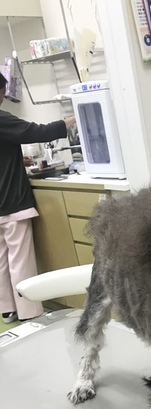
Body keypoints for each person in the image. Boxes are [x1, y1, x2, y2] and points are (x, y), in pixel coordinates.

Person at [0, 71, 76, 324]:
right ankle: (29, 313)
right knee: (19, 259)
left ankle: (7, 310)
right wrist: (70, 119)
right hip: (11, 204)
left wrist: (15, 159)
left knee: (1, 262)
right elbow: (35, 132)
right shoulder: (1, 118)